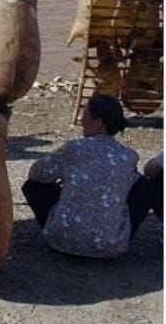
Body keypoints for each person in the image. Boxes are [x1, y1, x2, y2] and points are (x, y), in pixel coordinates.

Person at [22, 94, 158, 258]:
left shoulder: (75, 149)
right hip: (111, 246)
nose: (81, 120)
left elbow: (36, 174)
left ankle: (62, 227)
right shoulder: (128, 157)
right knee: (146, 185)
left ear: (98, 123)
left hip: (61, 241)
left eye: (84, 115)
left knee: (33, 186)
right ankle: (116, 232)